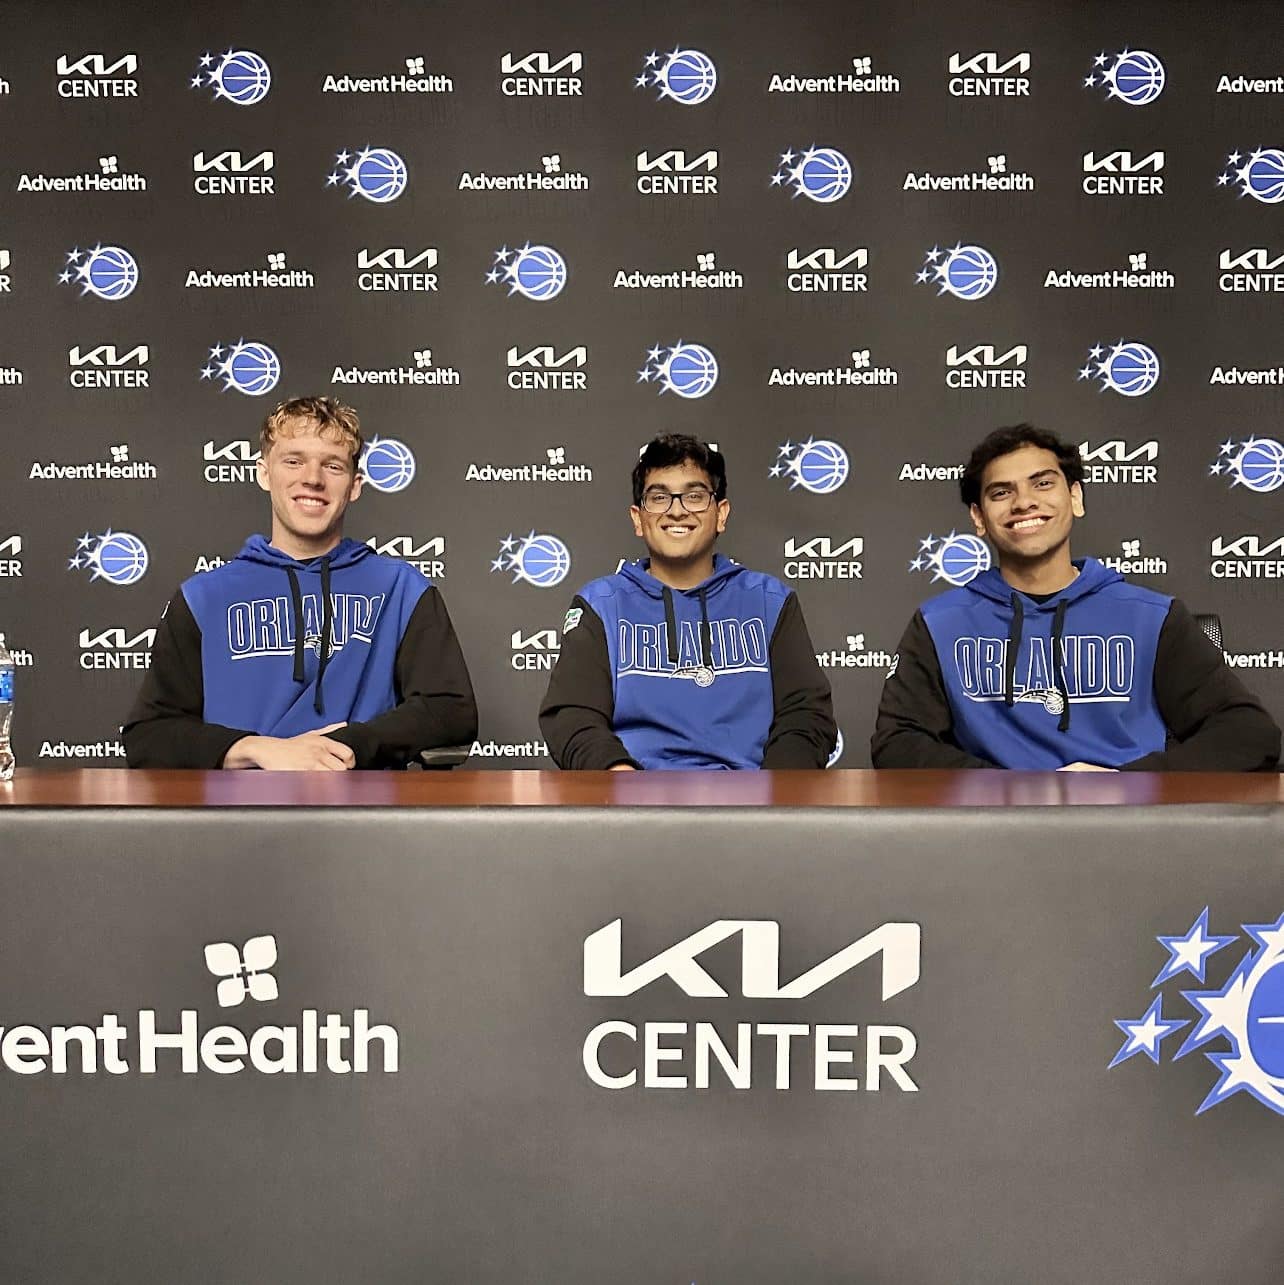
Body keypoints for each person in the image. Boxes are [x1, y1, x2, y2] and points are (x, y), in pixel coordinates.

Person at [872, 424, 1280, 772]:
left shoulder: (1152, 617)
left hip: (1131, 822)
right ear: (979, 518)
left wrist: (1125, 782)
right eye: (1001, 492)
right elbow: (897, 744)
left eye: (1042, 483)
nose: (1024, 502)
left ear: (1076, 498)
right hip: (997, 824)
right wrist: (1017, 789)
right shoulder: (940, 624)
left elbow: (1249, 733)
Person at [124, 396, 477, 770]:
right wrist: (257, 749)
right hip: (238, 803)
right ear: (264, 474)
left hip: (361, 798)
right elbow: (149, 734)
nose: (312, 479)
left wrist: (349, 745)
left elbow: (451, 711)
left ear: (355, 485)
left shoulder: (402, 590)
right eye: (293, 461)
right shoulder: (204, 598)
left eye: (333, 465)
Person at [540, 434, 836, 770]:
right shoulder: (601, 604)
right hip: (634, 795)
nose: (677, 511)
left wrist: (773, 792)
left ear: (721, 514)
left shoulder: (770, 601)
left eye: (694, 496)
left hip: (752, 795)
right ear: (638, 519)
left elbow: (806, 715)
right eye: (659, 497)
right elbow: (573, 717)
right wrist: (622, 781)